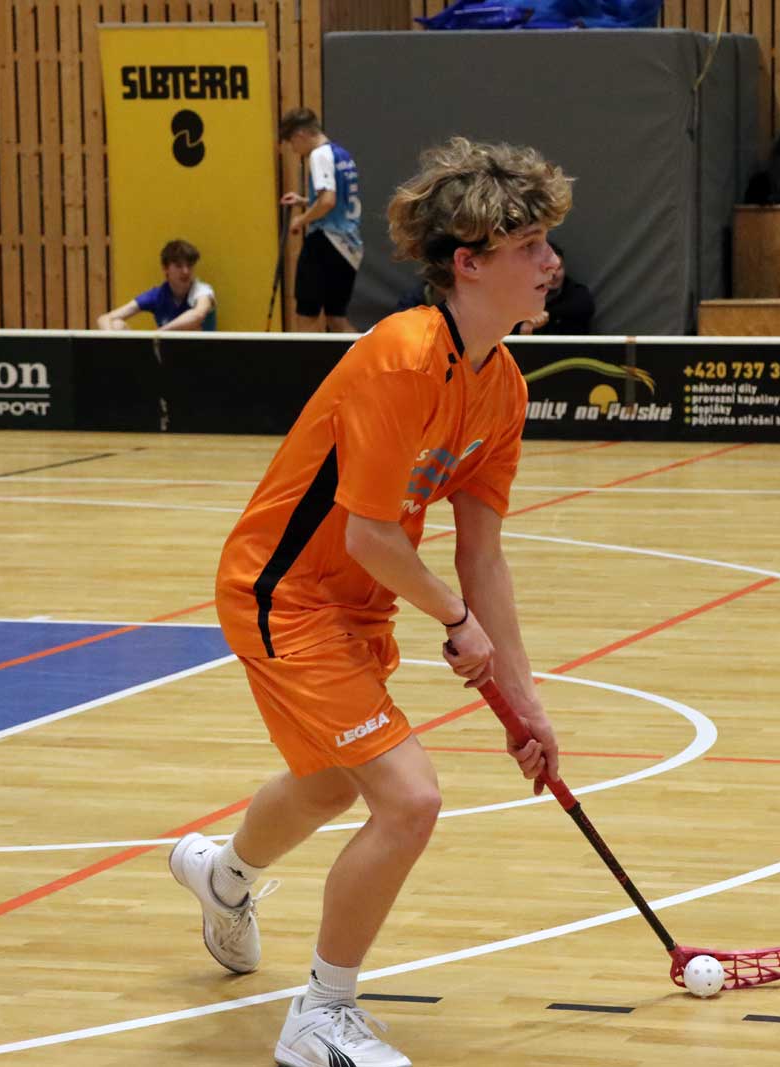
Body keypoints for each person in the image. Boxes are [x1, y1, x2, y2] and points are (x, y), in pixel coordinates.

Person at [170, 136, 567, 1067]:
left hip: (356, 606)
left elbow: (482, 554)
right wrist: (454, 621)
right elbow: (371, 535)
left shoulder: (502, 388)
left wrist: (528, 702)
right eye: (531, 247)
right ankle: (321, 1014)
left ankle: (223, 875)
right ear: (469, 264)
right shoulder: (401, 358)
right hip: (283, 594)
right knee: (409, 798)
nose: (552, 263)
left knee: (330, 781)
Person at [280, 108, 363, 333]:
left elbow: (327, 201)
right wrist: (304, 201)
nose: (294, 150)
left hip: (326, 242)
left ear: (300, 135)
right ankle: (368, 355)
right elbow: (338, 201)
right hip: (349, 246)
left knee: (306, 315)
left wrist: (300, 220)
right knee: (336, 318)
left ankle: (304, 358)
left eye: (292, 143)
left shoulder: (319, 155)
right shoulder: (342, 154)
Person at [96, 239, 216, 331]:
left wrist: (161, 332)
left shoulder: (203, 291)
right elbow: (104, 318)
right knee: (117, 325)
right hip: (166, 353)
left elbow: (197, 315)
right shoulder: (157, 295)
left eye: (189, 266)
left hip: (200, 352)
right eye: (179, 266)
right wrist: (110, 338)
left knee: (193, 328)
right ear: (165, 269)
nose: (185, 271)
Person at [514, 241, 594, 334]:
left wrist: (545, 313)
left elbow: (584, 307)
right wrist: (525, 329)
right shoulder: (519, 299)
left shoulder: (578, 295)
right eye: (547, 269)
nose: (553, 274)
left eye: (558, 268)